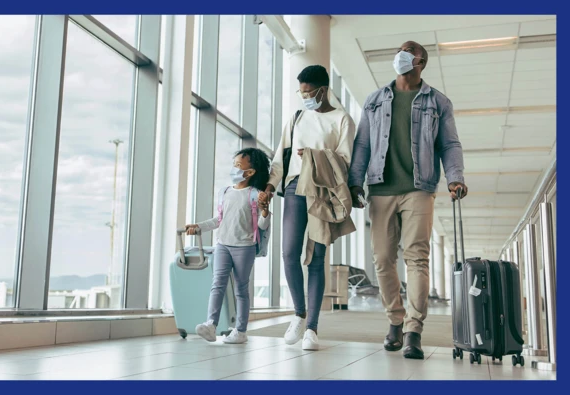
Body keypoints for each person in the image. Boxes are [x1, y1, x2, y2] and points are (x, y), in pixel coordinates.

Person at [348, 41, 468, 359]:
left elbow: (450, 144)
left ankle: (413, 329)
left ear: (420, 63)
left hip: (419, 187)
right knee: (383, 259)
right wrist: (353, 183)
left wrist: (455, 177)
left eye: (407, 54)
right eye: (398, 52)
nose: (399, 57)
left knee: (416, 257)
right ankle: (395, 321)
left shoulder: (437, 102)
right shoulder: (375, 100)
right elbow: (362, 144)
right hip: (381, 189)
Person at [265, 65, 356, 351]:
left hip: (322, 191)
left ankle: (312, 329)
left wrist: (315, 156)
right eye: (301, 92)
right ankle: (299, 314)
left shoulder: (342, 120)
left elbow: (345, 161)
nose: (304, 96)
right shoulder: (297, 117)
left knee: (316, 258)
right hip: (294, 187)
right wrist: (269, 186)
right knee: (289, 253)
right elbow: (280, 157)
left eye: (308, 92)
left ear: (323, 90)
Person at [186, 148, 272, 344]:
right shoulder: (225, 192)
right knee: (217, 284)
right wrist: (198, 226)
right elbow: (219, 220)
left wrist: (265, 212)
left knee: (241, 289)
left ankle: (240, 331)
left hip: (245, 247)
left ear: (250, 172)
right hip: (222, 245)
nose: (234, 169)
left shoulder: (255, 195)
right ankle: (211, 324)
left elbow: (262, 226)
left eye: (238, 166)